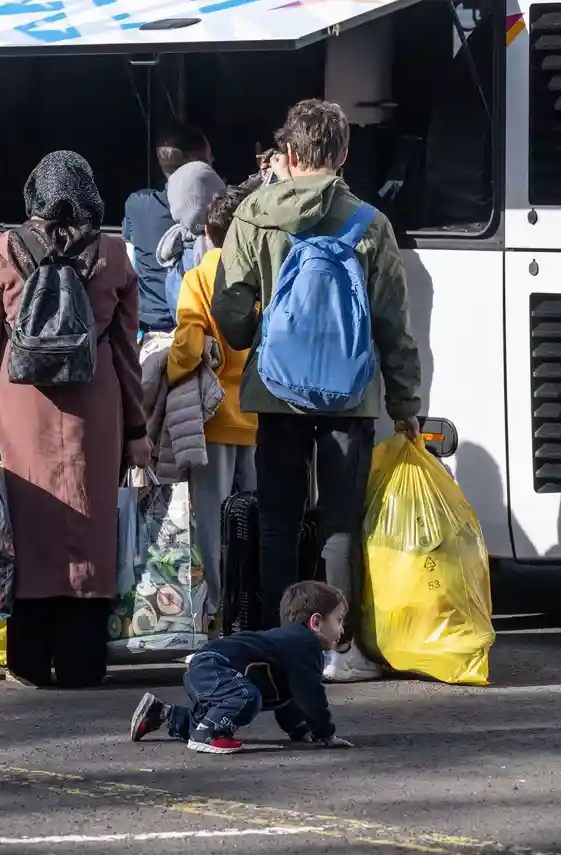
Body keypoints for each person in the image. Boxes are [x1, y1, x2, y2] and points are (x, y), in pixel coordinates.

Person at [211, 100, 423, 682]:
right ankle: (338, 650)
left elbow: (229, 310)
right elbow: (392, 326)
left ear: (291, 152)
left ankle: (283, 645)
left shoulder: (252, 215)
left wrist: (262, 331)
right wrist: (406, 404)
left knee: (278, 521)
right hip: (351, 396)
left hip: (277, 392)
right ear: (343, 154)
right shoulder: (369, 223)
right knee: (339, 523)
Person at [0, 151, 149, 689]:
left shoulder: (5, 249)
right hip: (96, 410)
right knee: (90, 528)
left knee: (28, 529)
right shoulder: (112, 254)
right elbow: (127, 356)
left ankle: (28, 661)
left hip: (22, 410)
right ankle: (84, 662)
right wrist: (136, 431)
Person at [163, 186, 258, 624]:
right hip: (261, 416)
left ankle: (216, 609)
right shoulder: (262, 273)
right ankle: (256, 604)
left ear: (207, 230)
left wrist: (167, 369)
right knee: (259, 516)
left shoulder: (199, 277)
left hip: (216, 419)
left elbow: (186, 346)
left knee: (211, 519)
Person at [129, 580, 355, 754]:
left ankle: (162, 714)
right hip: (215, 666)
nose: (342, 629)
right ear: (316, 622)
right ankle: (208, 735)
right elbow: (310, 695)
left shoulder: (291, 646)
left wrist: (300, 730)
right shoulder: (305, 644)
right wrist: (326, 734)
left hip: (207, 666)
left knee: (210, 717)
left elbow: (289, 698)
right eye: (339, 620)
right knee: (246, 697)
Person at [122, 125, 212, 336]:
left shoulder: (137, 204)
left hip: (149, 327)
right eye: (208, 161)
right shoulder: (213, 210)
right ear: (197, 167)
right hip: (196, 328)